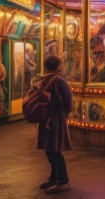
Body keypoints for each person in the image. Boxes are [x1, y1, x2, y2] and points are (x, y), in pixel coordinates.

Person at [34, 55, 73, 193]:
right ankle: (60, 178)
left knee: (51, 149)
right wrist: (66, 111)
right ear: (58, 66)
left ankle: (58, 178)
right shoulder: (59, 80)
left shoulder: (43, 79)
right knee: (53, 150)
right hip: (55, 118)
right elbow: (68, 103)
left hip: (45, 117)